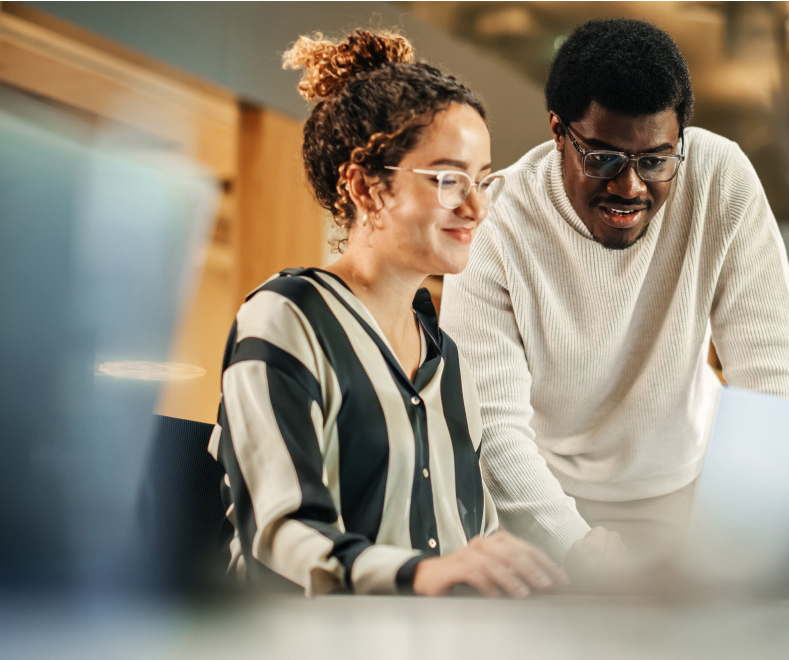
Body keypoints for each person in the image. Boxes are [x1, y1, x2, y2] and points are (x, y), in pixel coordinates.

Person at [208, 29, 567, 597]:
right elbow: (278, 537)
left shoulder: (449, 362)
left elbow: (475, 542)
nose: (476, 207)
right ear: (365, 188)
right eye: (449, 179)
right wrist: (421, 575)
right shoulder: (288, 317)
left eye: (482, 181)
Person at [441, 19, 789, 564]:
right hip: (544, 502)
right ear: (557, 131)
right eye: (603, 158)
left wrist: (749, 539)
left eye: (655, 160)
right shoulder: (496, 224)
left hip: (688, 490)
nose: (630, 187)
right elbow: (493, 428)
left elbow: (773, 374)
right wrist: (578, 550)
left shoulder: (719, 178)